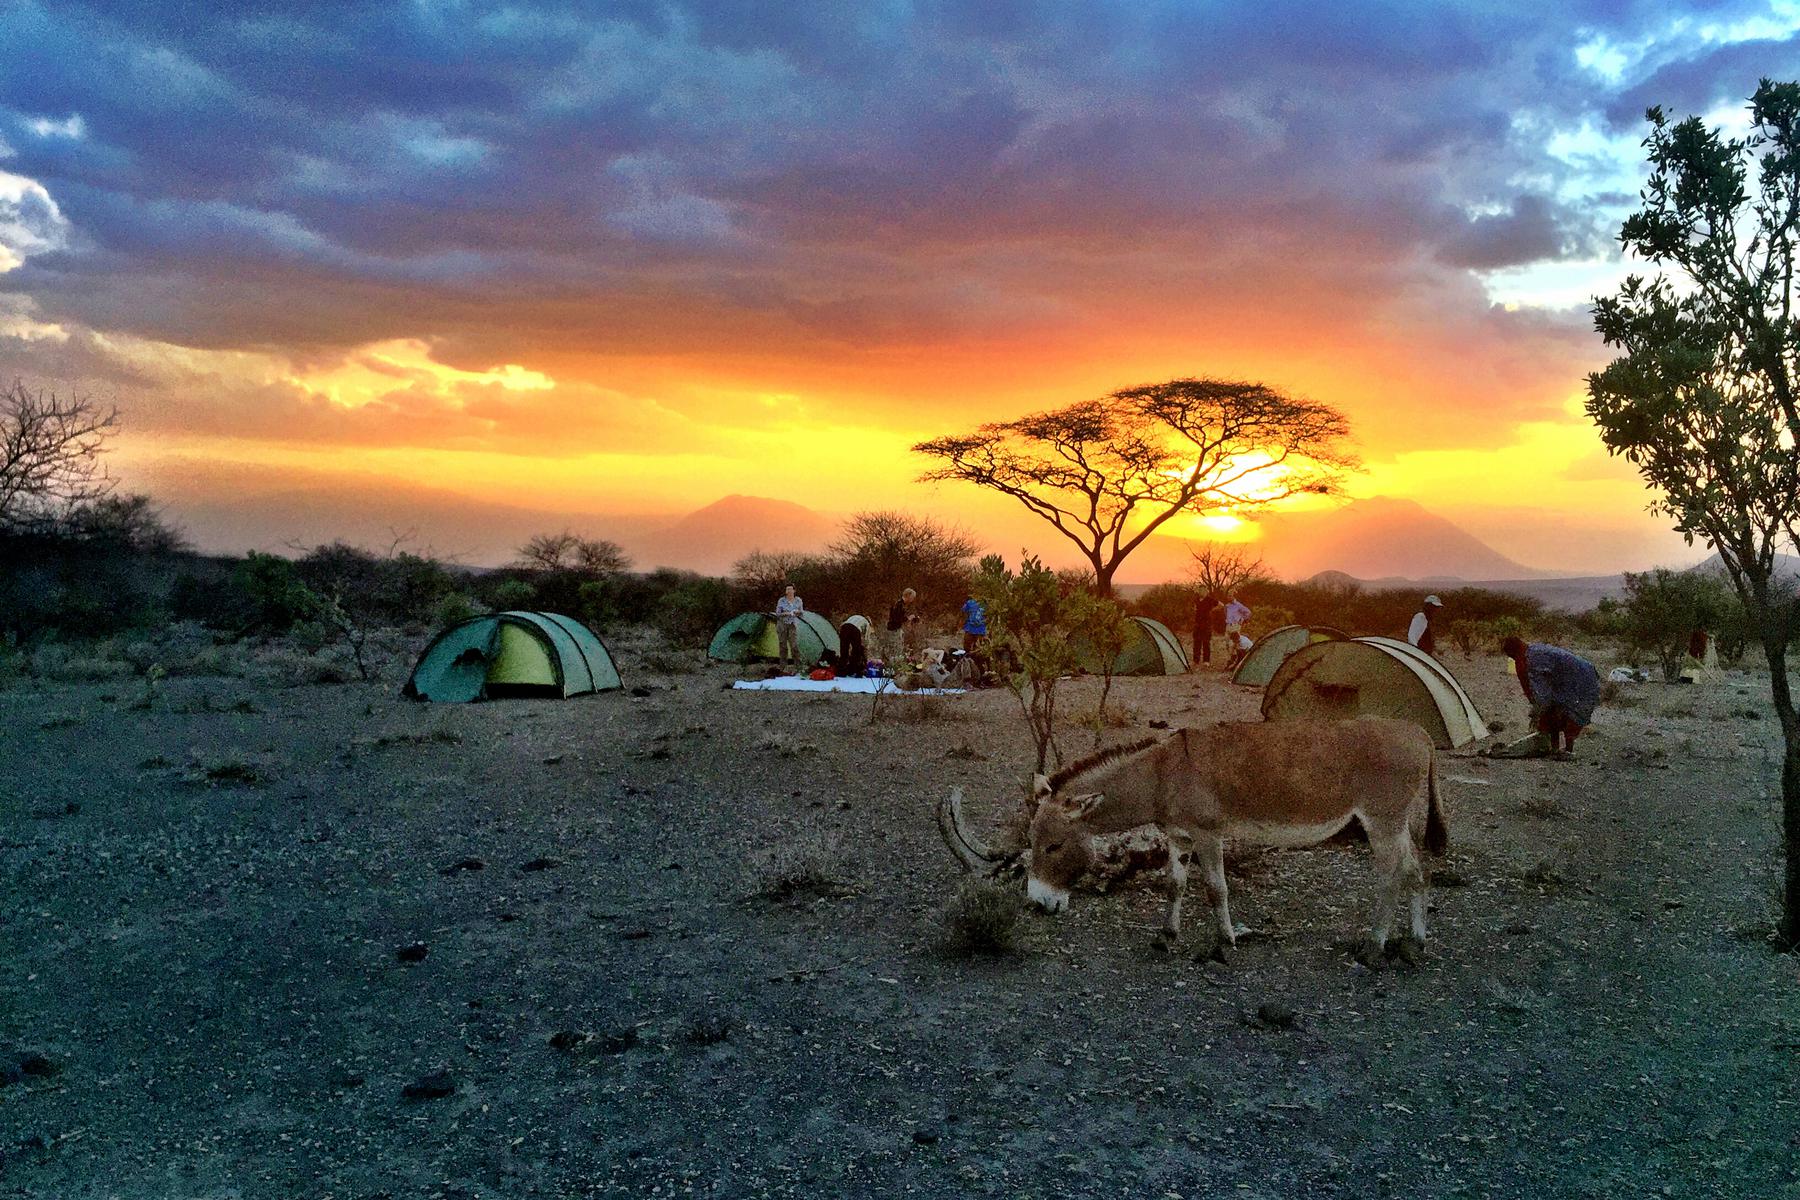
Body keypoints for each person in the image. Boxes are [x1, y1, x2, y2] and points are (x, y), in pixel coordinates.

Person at [1498, 636, 1600, 758]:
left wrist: (1536, 713)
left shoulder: (1529, 660)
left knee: (1567, 713)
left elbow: (1542, 694)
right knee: (1556, 711)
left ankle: (1567, 751)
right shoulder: (1532, 652)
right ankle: (1556, 749)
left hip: (1579, 681)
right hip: (1581, 675)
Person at [773, 584, 805, 673]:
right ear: (785, 591)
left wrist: (796, 612)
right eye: (787, 589)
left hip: (793, 624)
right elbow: (778, 613)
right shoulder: (782, 600)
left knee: (794, 645)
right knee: (783, 645)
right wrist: (787, 613)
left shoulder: (798, 600)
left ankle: (798, 666)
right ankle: (783, 666)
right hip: (782, 624)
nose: (789, 591)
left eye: (791, 589)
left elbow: (801, 613)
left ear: (794, 591)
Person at [885, 588, 917, 665]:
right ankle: (894, 666)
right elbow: (897, 618)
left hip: (896, 628)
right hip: (894, 630)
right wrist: (908, 618)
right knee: (895, 649)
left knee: (897, 648)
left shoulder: (900, 604)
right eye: (912, 597)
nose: (912, 600)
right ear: (908, 596)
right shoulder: (899, 605)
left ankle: (895, 665)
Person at [1192, 590, 1220, 667]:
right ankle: (1196, 660)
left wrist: (1211, 610)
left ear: (1206, 592)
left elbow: (1221, 605)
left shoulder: (1210, 599)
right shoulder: (1196, 599)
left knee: (1206, 642)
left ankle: (1206, 661)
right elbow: (1194, 607)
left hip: (1207, 624)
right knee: (1196, 642)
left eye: (1203, 591)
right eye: (1200, 591)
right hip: (1198, 624)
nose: (1201, 593)